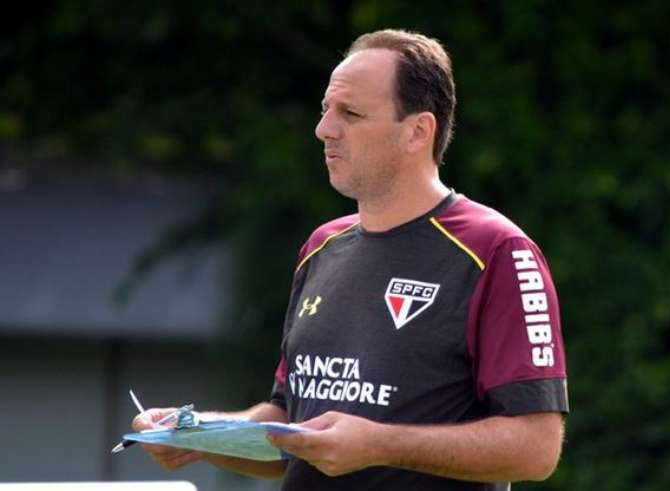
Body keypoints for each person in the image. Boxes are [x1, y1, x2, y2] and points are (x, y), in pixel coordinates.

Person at [133, 29, 569, 490]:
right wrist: (198, 435)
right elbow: (289, 427)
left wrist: (381, 445)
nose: (324, 129)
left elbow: (536, 447)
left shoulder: (495, 250)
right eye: (326, 109)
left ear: (418, 131)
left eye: (351, 113)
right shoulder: (322, 247)